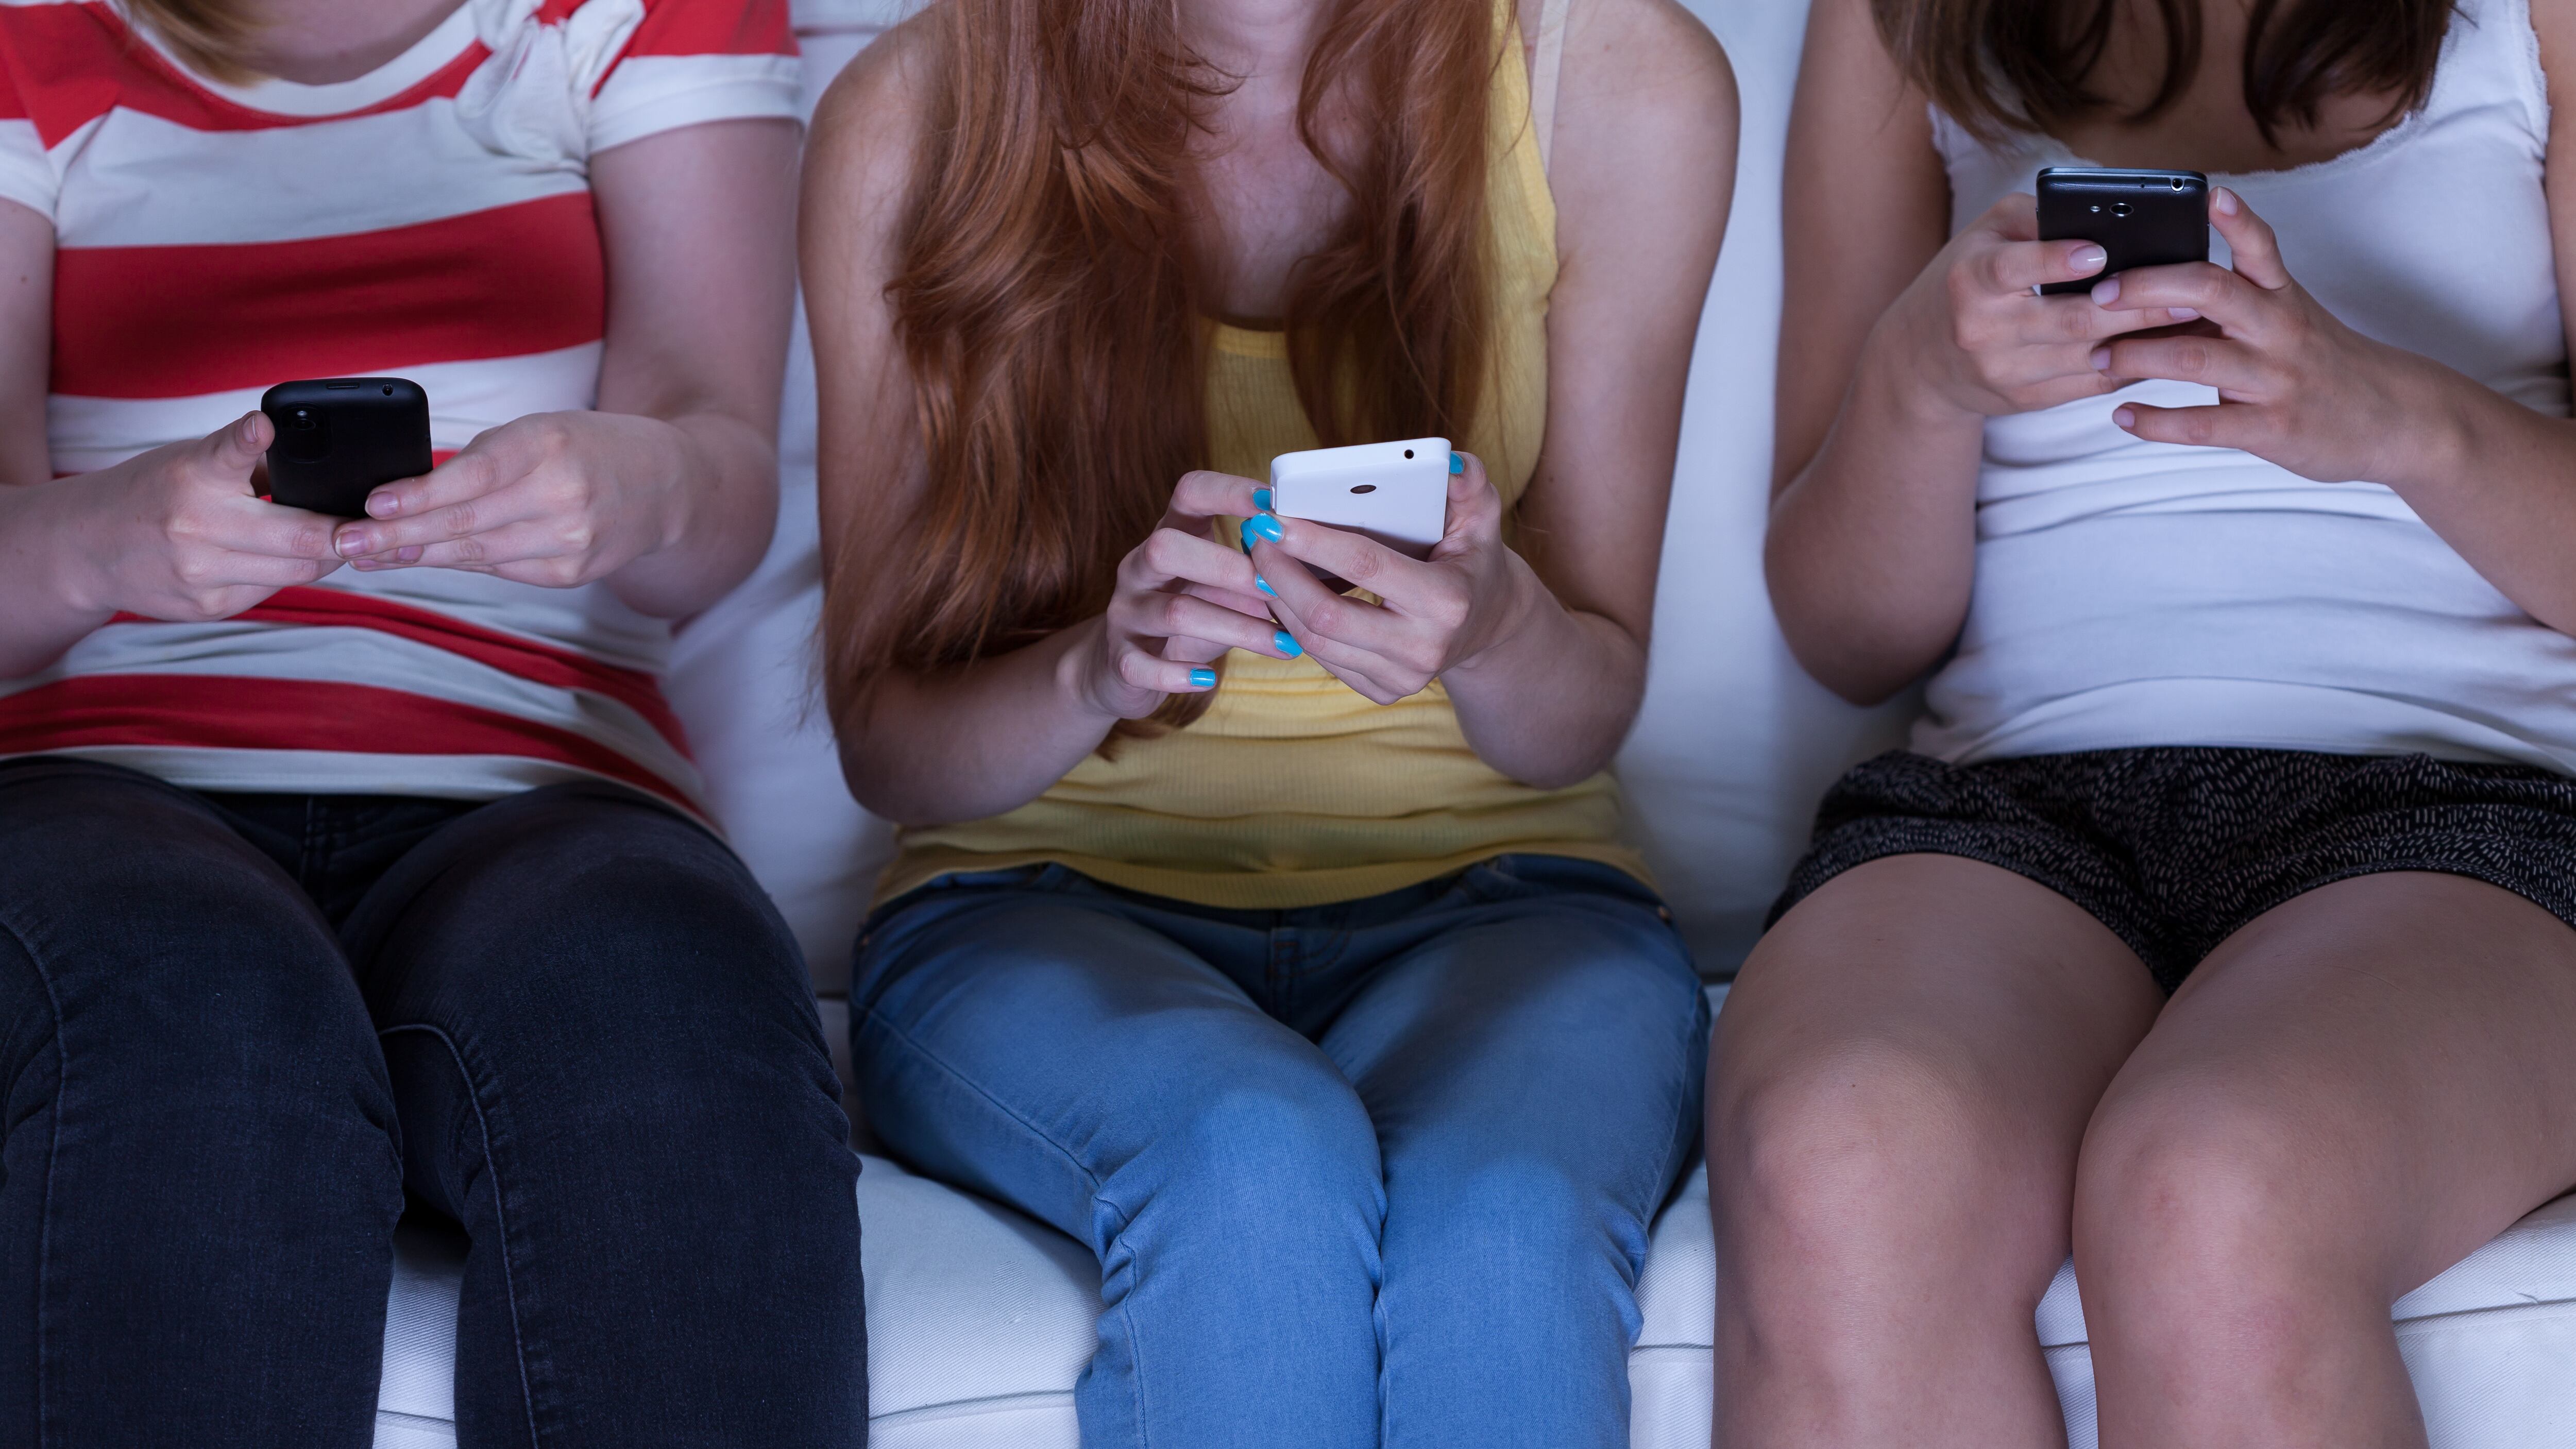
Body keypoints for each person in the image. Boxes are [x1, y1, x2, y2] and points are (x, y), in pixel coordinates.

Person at [801, 0, 1734, 1439]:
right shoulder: (918, 105)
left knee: (1508, 1221)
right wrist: (1095, 673)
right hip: (1034, 908)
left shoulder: (1612, 76)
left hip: (1512, 905)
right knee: (1247, 1159)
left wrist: (1489, 627)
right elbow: (886, 744)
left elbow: (1584, 708)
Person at [0, 1, 863, 1444]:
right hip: (99, 785)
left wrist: (630, 487)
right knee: (195, 1020)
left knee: (662, 1016)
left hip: (545, 791)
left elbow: (713, 483)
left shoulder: (636, 21)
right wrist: (106, 542)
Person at [1717, 0, 2576, 1443]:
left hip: (2463, 815)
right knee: (1843, 1157)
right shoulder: (1895, 22)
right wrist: (1922, 380)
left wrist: (2395, 417)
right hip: (2013, 814)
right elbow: (1845, 633)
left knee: (2219, 1178)